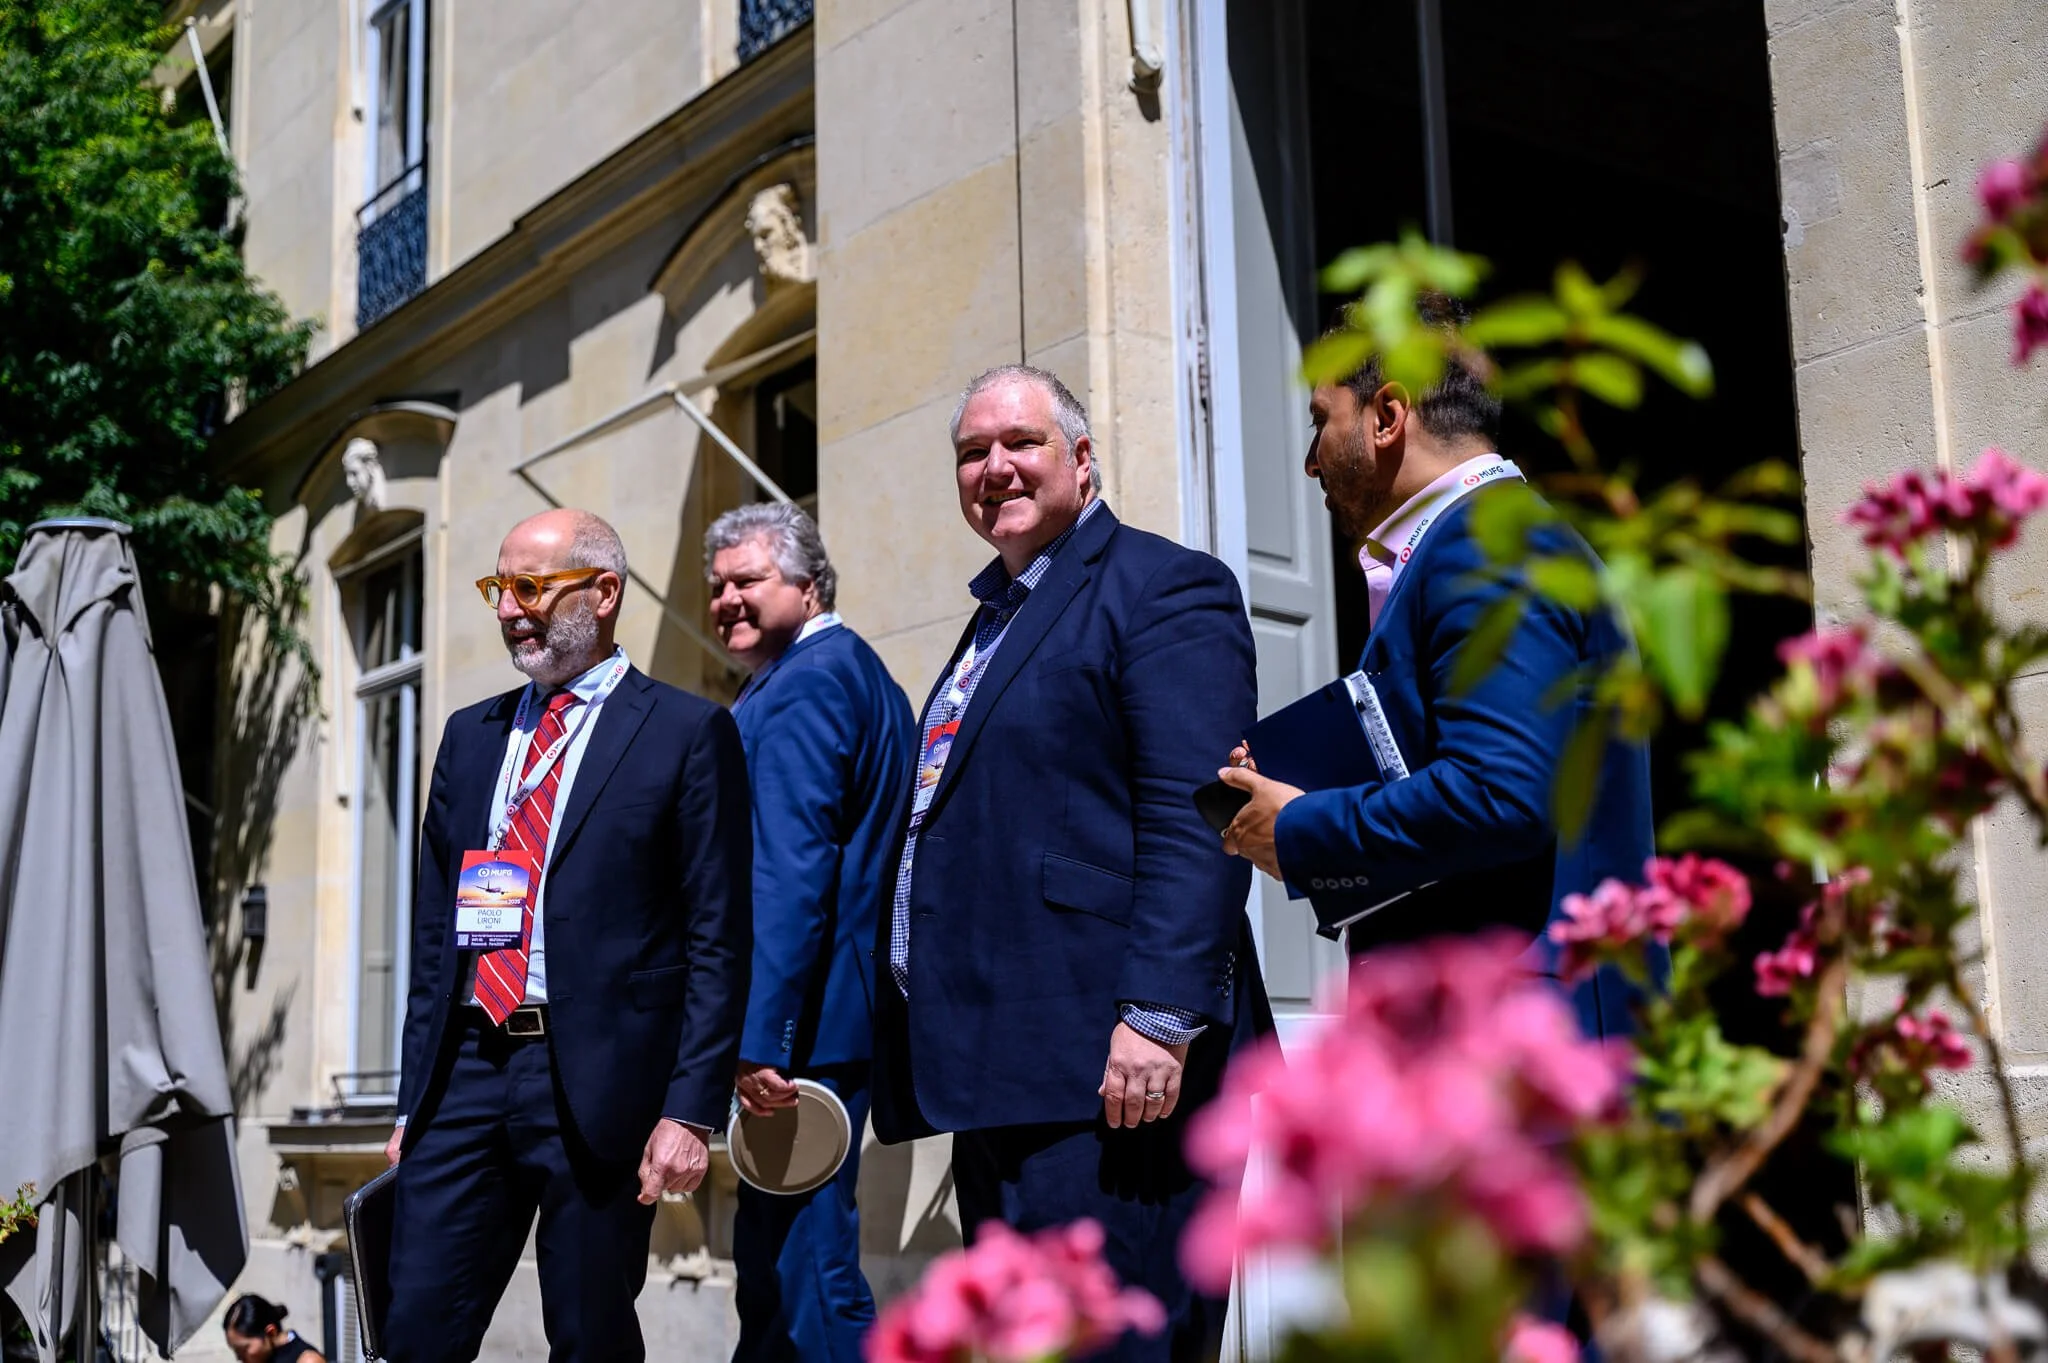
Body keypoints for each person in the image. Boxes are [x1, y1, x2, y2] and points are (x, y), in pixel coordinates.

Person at [872, 365, 1271, 1362]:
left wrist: (1158, 1014)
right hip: (1003, 1075)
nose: (993, 466)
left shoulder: (1161, 586)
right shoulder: (990, 623)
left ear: (1081, 462)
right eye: (971, 452)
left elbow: (1198, 811)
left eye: (1020, 442)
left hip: (1118, 1072)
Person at [1215, 301, 1654, 1035]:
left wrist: (1299, 826)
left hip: (1525, 1045)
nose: (1311, 457)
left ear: (1387, 415)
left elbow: (1499, 796)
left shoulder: (1489, 545)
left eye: (1322, 417)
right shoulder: (1483, 541)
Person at [382, 508, 752, 1363]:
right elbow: (436, 931)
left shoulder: (686, 733)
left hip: (597, 1081)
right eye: (499, 589)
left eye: (531, 588)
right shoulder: (468, 738)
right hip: (467, 1069)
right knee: (414, 1328)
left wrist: (691, 1111)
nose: (510, 609)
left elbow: (718, 938)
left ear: (605, 591)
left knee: (588, 1333)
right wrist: (414, 1095)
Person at [705, 503, 915, 1363]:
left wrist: (763, 1039)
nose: (726, 600)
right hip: (818, 1025)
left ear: (807, 583)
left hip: (803, 1040)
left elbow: (791, 873)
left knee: (806, 1275)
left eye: (747, 580)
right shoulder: (847, 673)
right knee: (772, 1269)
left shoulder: (810, 680)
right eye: (716, 586)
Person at [222, 1295, 325, 1363]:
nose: (239, 1358)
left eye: (244, 1349)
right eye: (236, 1351)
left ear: (271, 1332)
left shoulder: (307, 1360)